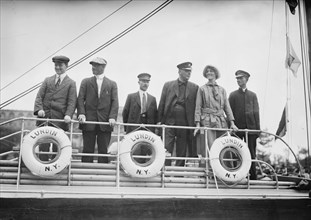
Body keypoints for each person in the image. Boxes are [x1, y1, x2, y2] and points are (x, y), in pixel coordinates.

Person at [34, 55, 77, 161]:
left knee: (58, 146)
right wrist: (39, 109)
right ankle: (42, 167)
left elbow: (72, 102)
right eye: (56, 65)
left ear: (66, 66)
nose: (57, 67)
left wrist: (68, 115)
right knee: (43, 145)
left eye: (60, 65)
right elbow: (39, 96)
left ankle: (56, 171)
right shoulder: (47, 80)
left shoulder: (71, 83)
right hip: (45, 119)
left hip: (60, 120)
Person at [77, 57, 119, 163]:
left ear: (103, 67)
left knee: (103, 150)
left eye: (96, 65)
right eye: (92, 65)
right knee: (87, 149)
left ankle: (103, 176)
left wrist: (112, 117)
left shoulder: (112, 84)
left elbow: (115, 102)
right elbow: (80, 99)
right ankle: (84, 174)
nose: (93, 67)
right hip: (88, 121)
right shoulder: (85, 82)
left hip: (105, 122)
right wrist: (81, 113)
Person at [194, 65, 237, 166]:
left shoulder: (222, 90)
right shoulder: (202, 89)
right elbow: (198, 107)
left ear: (216, 74)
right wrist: (197, 124)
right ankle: (209, 172)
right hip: (207, 121)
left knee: (224, 145)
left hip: (221, 122)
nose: (209, 73)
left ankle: (225, 171)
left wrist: (232, 123)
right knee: (210, 146)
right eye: (207, 71)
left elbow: (227, 107)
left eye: (211, 71)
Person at [157, 62, 199, 166]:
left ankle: (178, 172)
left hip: (184, 122)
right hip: (169, 121)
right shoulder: (168, 85)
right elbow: (162, 103)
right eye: (186, 71)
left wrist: (195, 124)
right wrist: (159, 121)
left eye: (190, 71)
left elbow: (197, 107)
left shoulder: (194, 87)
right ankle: (164, 171)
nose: (189, 73)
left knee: (182, 148)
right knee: (166, 146)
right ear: (179, 71)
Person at [229, 70, 260, 180]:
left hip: (251, 129)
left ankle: (253, 176)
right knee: (236, 153)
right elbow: (229, 112)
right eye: (237, 78)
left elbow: (256, 113)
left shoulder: (253, 95)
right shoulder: (233, 95)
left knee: (251, 153)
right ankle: (238, 176)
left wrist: (257, 130)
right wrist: (231, 127)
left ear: (246, 79)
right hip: (237, 129)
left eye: (241, 78)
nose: (239, 80)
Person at [122, 73, 158, 163]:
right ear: (139, 82)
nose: (145, 84)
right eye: (143, 81)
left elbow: (155, 116)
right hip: (134, 130)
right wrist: (128, 129)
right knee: (133, 151)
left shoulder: (152, 99)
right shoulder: (131, 97)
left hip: (148, 131)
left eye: (147, 82)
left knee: (145, 152)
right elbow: (125, 113)